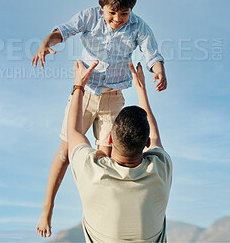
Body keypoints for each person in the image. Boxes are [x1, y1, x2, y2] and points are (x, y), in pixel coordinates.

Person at [32, 0, 167, 237]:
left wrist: (159, 70)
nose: (117, 18)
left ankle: (100, 212)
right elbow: (64, 30)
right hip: (86, 92)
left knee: (106, 155)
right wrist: (46, 43)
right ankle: (47, 207)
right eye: (112, 13)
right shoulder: (90, 17)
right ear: (101, 7)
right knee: (66, 151)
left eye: (124, 13)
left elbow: (152, 53)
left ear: (132, 10)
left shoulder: (138, 26)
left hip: (114, 96)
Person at [67, 60, 172, 242]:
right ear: (146, 143)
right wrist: (141, 90)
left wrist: (79, 85)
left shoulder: (92, 171)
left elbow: (74, 132)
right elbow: (155, 137)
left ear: (109, 139)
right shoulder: (161, 169)